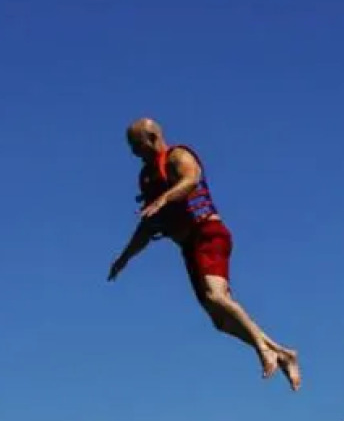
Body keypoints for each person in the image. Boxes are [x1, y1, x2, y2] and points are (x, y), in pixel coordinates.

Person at [108, 117, 301, 389]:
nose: (133, 153)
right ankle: (282, 352)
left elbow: (190, 179)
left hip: (208, 234)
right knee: (220, 321)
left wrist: (165, 198)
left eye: (136, 145)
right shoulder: (148, 177)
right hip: (188, 247)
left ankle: (264, 348)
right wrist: (125, 257)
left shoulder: (177, 156)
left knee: (216, 295)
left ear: (152, 138)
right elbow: (147, 226)